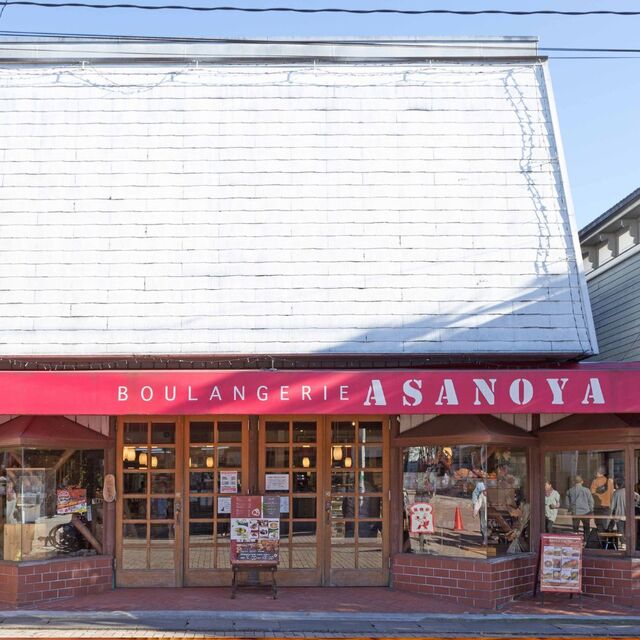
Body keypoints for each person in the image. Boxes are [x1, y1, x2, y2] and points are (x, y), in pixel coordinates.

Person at [566, 475, 594, 543]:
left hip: (575, 512)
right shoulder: (587, 490)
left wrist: (570, 510)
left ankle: (576, 542)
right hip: (586, 511)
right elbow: (591, 501)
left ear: (574, 482)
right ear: (582, 482)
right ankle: (586, 541)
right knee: (586, 528)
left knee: (575, 528)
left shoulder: (570, 491)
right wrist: (591, 510)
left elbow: (567, 503)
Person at [590, 466, 614, 532]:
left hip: (598, 505)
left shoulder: (595, 481)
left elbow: (592, 494)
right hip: (607, 505)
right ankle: (604, 535)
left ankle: (600, 535)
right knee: (605, 523)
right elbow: (612, 494)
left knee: (598, 523)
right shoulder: (610, 482)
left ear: (598, 473)